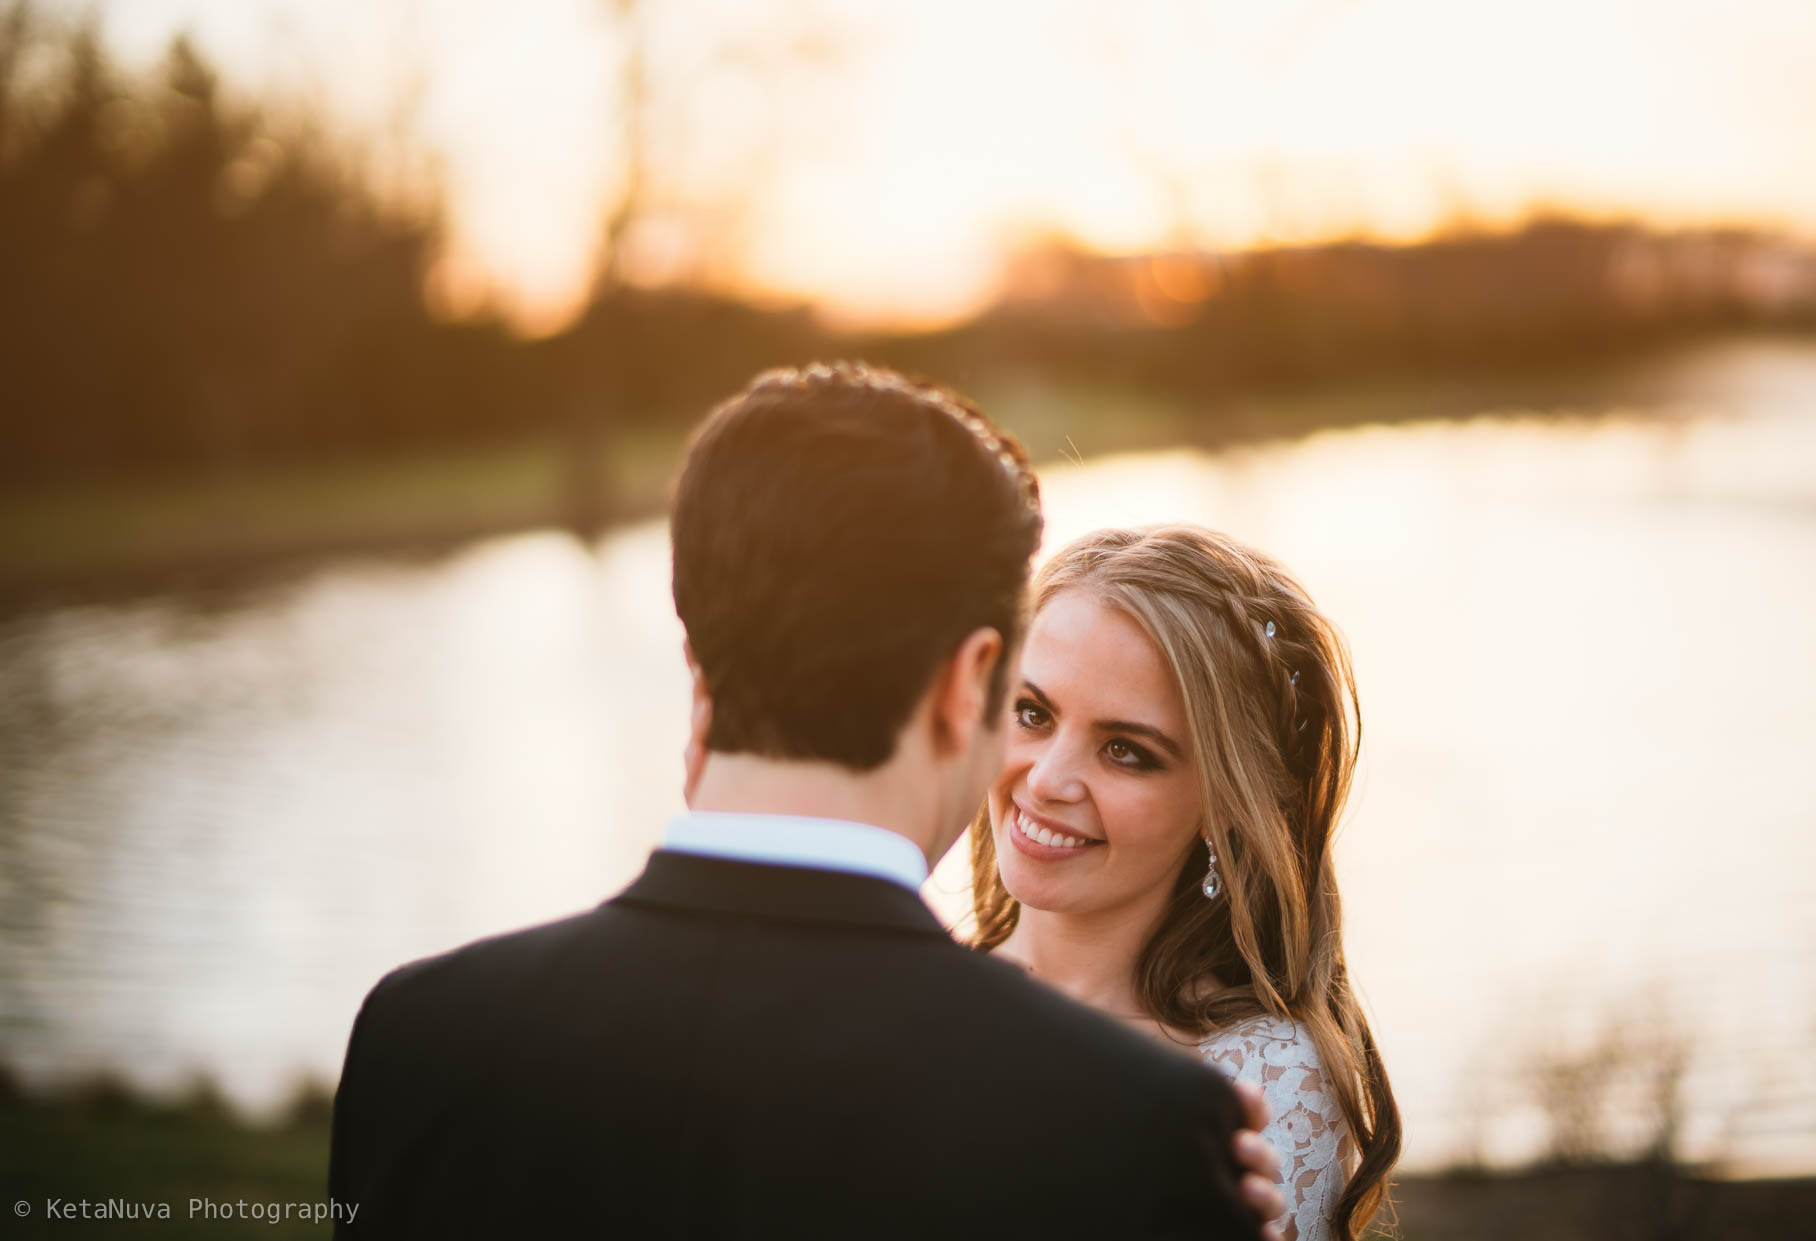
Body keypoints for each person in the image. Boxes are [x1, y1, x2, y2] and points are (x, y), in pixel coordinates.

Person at [328, 365, 1284, 1239]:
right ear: (970, 685)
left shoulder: (420, 1040)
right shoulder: (1140, 1129)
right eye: (1024, 708)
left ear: (700, 671)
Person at [970, 526, 1402, 1241]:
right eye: (1032, 713)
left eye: (1125, 750)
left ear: (1223, 804)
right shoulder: (902, 993)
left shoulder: (1258, 1080)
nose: (1045, 780)